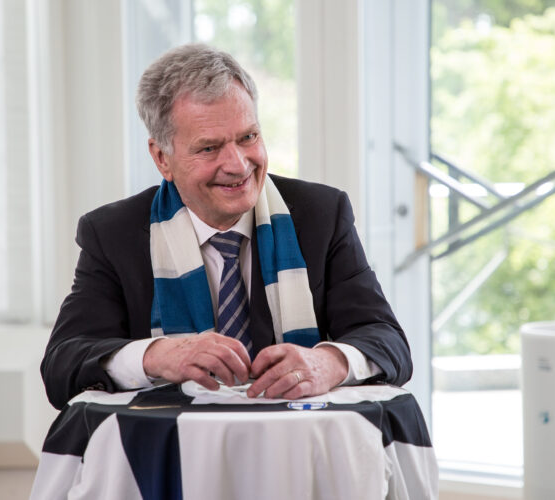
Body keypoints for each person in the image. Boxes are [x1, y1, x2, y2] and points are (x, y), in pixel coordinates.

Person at [40, 44, 412, 409]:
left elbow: (388, 341)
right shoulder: (112, 233)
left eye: (248, 137)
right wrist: (155, 357)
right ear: (162, 159)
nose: (237, 164)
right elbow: (62, 365)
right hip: (167, 457)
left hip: (302, 452)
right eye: (209, 148)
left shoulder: (322, 214)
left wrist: (329, 362)